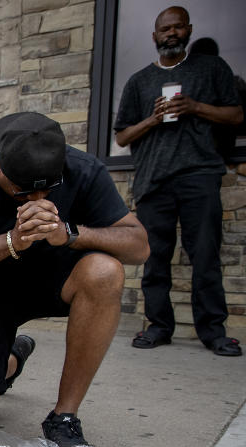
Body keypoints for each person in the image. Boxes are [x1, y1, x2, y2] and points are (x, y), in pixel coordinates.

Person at [0, 112, 149, 447]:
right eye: (21, 193)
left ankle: (64, 416)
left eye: (47, 190)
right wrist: (12, 241)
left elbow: (139, 246)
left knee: (105, 271)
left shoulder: (84, 168)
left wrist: (70, 234)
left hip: (55, 282)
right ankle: (13, 358)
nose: (35, 201)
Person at [114, 6, 244, 357]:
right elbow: (122, 137)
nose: (170, 33)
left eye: (177, 27)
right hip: (153, 180)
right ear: (154, 36)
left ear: (188, 30)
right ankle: (158, 326)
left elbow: (236, 114)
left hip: (199, 174)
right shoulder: (139, 81)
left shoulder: (211, 69)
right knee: (155, 258)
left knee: (205, 255)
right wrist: (153, 119)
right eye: (164, 29)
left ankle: (213, 332)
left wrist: (195, 107)